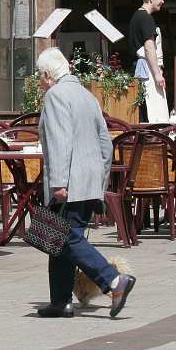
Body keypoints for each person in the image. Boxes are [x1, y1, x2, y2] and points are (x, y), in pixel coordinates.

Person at [35, 47, 137, 319]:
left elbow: (59, 141)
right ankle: (60, 300)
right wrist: (99, 178)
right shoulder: (87, 96)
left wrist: (58, 182)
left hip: (68, 181)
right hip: (88, 180)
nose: (40, 81)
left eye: (39, 76)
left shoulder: (55, 96)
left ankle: (113, 281)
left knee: (67, 238)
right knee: (58, 237)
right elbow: (106, 144)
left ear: (47, 75)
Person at [129, 0, 169, 123]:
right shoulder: (145, 18)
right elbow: (149, 48)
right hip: (147, 70)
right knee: (153, 110)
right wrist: (158, 74)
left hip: (141, 68)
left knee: (145, 108)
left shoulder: (137, 16)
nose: (163, 1)